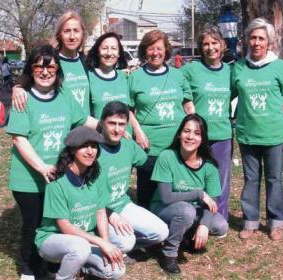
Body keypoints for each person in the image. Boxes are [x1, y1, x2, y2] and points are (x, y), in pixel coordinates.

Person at [6, 44, 87, 279]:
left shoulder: (64, 95)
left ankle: (51, 264)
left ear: (57, 70)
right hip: (29, 178)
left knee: (53, 223)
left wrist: (110, 126)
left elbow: (83, 120)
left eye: (50, 66)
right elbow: (19, 139)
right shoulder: (23, 98)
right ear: (31, 70)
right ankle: (28, 269)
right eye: (38, 66)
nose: (45, 71)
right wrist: (42, 167)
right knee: (33, 225)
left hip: (57, 176)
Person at [231, 18, 283, 241]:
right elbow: (228, 95)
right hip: (247, 135)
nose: (256, 42)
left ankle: (276, 222)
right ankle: (250, 221)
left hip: (275, 135)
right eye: (253, 37)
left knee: (274, 178)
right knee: (251, 179)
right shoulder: (238, 67)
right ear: (247, 40)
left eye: (261, 38)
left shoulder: (278, 66)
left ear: (269, 42)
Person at [35, 126, 125, 280]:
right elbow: (65, 227)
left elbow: (100, 212)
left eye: (94, 146)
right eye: (84, 146)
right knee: (80, 248)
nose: (90, 151)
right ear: (72, 150)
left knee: (117, 270)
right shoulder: (56, 181)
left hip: (84, 240)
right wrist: (100, 242)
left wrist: (106, 244)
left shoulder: (97, 175)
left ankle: (82, 267)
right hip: (53, 238)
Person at [150, 114, 228, 274]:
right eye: (186, 131)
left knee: (220, 226)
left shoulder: (209, 166)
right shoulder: (167, 157)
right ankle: (169, 254)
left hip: (192, 212)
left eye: (197, 133)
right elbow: (166, 197)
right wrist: (199, 194)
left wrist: (204, 226)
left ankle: (184, 235)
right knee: (186, 211)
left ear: (202, 139)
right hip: (163, 209)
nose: (190, 137)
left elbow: (211, 202)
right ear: (179, 134)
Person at [128, 30, 195, 209]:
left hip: (176, 146)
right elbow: (129, 110)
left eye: (159, 48)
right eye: (150, 48)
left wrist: (193, 132)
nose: (155, 53)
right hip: (149, 147)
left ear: (166, 50)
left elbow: (188, 105)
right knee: (147, 196)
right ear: (144, 51)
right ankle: (149, 232)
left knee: (176, 192)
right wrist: (138, 132)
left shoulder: (177, 75)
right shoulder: (135, 77)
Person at [97, 101, 168, 257]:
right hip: (98, 212)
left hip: (123, 205)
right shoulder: (92, 149)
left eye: (121, 124)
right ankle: (97, 242)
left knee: (162, 232)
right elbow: (83, 194)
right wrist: (109, 214)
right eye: (112, 123)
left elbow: (148, 165)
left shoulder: (127, 144)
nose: (117, 129)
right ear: (102, 122)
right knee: (126, 242)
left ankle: (121, 242)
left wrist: (177, 165)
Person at [181, 26, 233, 221]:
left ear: (223, 45)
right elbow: (174, 83)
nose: (211, 47)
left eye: (215, 43)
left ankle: (219, 219)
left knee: (220, 179)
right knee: (195, 176)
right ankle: (194, 217)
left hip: (222, 135)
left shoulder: (230, 71)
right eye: (206, 44)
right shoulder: (190, 70)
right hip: (197, 136)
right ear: (200, 48)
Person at [12, 11, 95, 128]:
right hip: (60, 128)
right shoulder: (50, 59)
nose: (72, 36)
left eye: (76, 31)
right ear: (59, 34)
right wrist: (17, 88)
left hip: (86, 128)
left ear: (82, 34)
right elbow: (26, 78)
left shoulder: (86, 61)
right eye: (67, 31)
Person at [85, 32, 138, 135]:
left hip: (127, 141)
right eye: (105, 48)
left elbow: (129, 110)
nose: (109, 53)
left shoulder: (124, 77)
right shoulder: (88, 77)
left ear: (119, 53)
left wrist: (137, 130)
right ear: (97, 51)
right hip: (102, 141)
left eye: (114, 48)